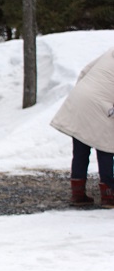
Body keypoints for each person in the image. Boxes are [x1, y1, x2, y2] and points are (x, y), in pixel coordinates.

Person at [50, 46, 114, 208]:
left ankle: (77, 193)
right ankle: (108, 194)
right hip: (102, 104)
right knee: (106, 146)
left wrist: (83, 95)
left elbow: (85, 70)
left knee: (81, 147)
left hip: (81, 98)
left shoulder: (110, 53)